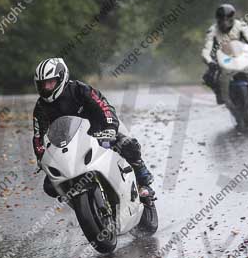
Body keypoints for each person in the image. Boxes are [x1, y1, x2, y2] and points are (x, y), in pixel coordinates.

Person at [31, 57, 155, 204]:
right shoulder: (40, 107)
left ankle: (143, 180)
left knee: (127, 144)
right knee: (50, 185)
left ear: (61, 77)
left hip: (100, 129)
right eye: (43, 84)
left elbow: (103, 106)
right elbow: (38, 136)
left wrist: (109, 127)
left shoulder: (79, 89)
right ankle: (77, 203)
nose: (46, 88)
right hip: (68, 145)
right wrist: (42, 157)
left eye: (50, 82)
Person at [201, 3, 248, 107]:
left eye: (228, 20)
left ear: (233, 18)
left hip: (241, 54)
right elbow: (206, 50)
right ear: (217, 20)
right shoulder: (212, 31)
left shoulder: (241, 26)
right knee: (208, 77)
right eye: (222, 20)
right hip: (221, 57)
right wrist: (210, 62)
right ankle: (219, 93)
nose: (225, 23)